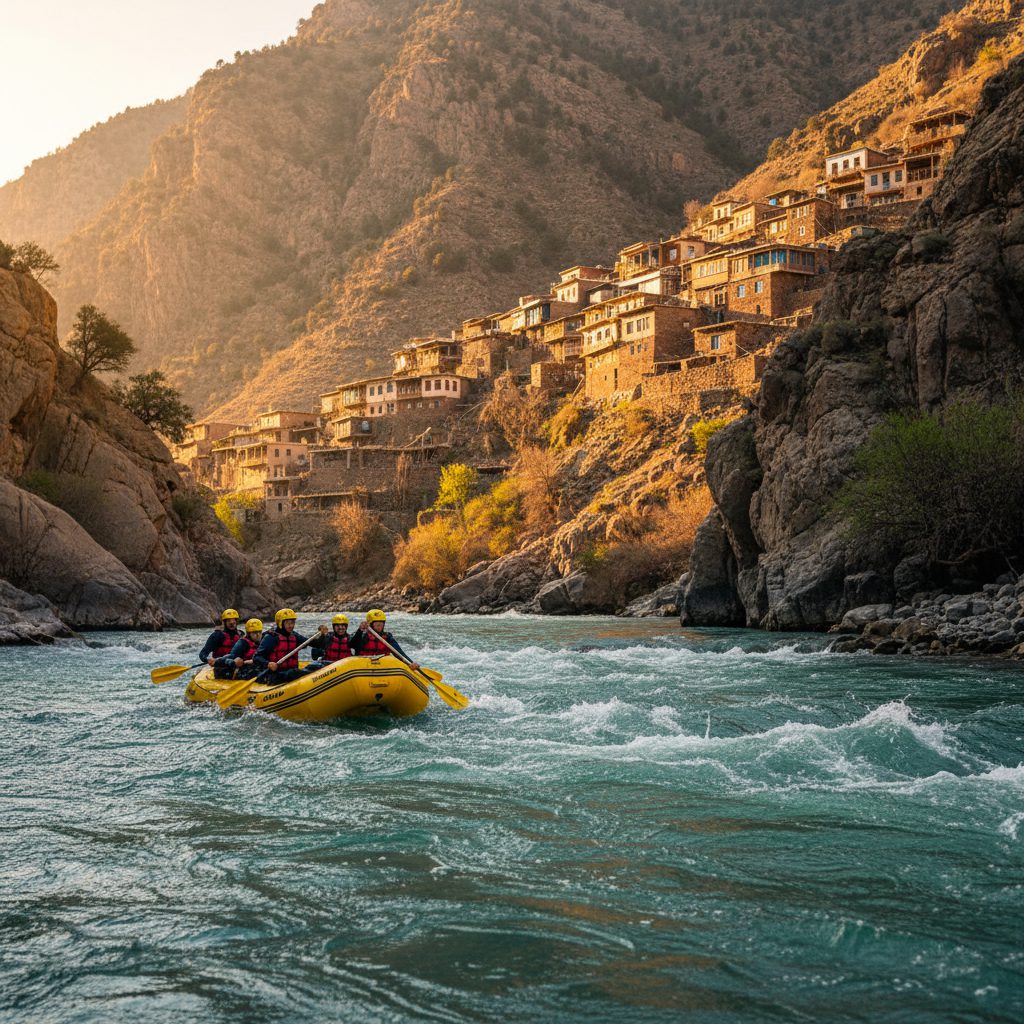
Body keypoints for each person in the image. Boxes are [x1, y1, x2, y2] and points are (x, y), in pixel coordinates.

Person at [253, 608, 327, 683]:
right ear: (280, 623)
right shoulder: (271, 637)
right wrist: (268, 664)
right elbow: (256, 657)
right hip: (275, 675)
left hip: (291, 672)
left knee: (319, 665)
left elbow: (316, 644)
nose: (291, 625)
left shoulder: (294, 635)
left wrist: (322, 635)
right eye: (288, 623)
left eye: (292, 622)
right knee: (294, 672)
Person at [351, 609, 420, 670]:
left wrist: (410, 663)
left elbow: (398, 652)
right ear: (370, 624)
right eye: (377, 624)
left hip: (382, 667)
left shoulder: (387, 637)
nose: (379, 627)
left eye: (381, 624)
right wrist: (359, 631)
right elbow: (351, 644)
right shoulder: (362, 635)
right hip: (364, 667)